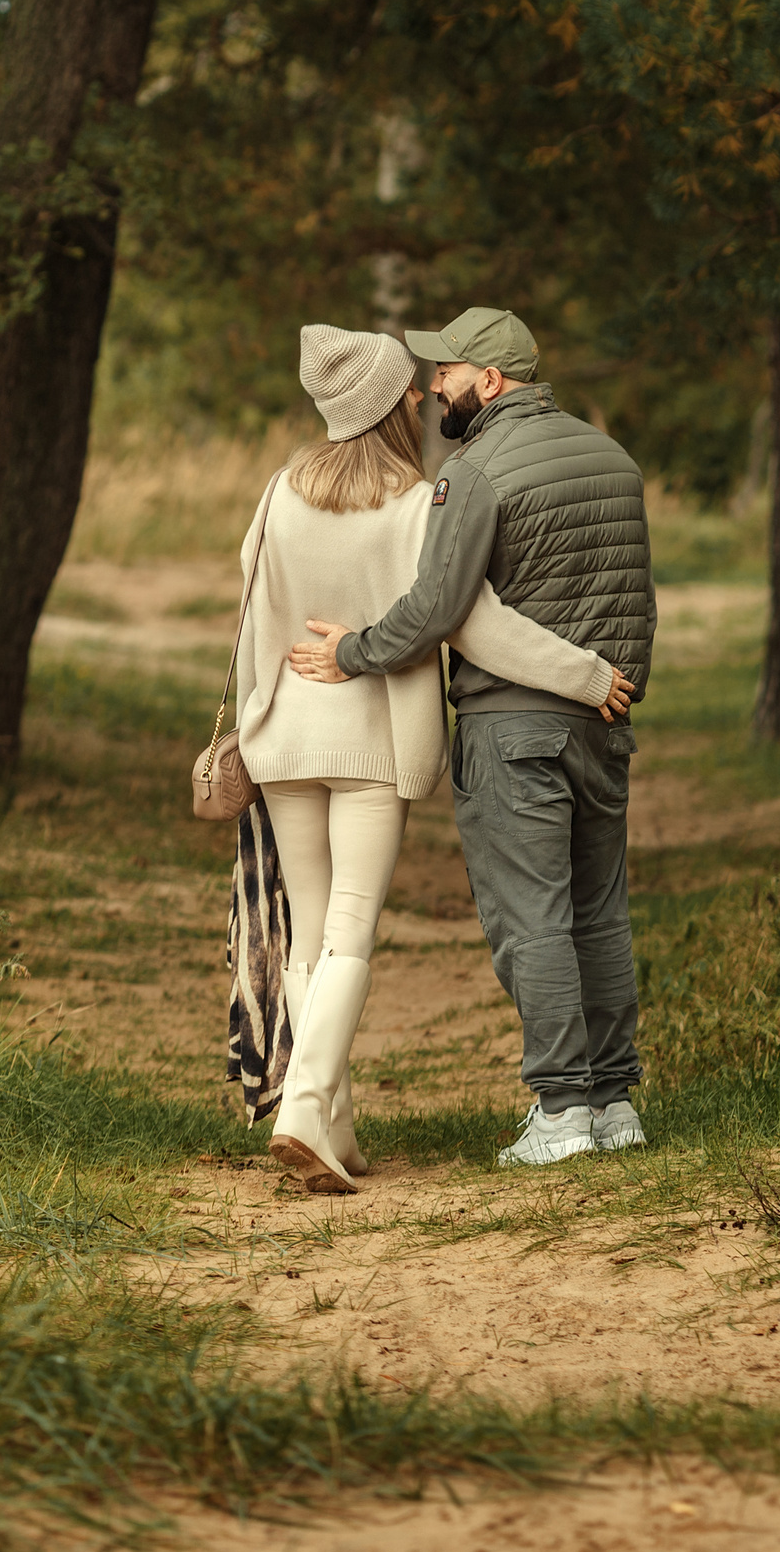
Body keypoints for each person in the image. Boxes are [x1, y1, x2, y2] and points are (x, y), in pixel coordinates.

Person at [238, 322, 634, 1195]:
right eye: (409, 388)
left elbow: (251, 616)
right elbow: (476, 622)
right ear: (386, 405)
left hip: (285, 736)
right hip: (369, 740)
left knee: (308, 934)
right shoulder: (416, 503)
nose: (424, 395)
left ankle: (333, 1123)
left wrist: (250, 720)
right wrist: (587, 672)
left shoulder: (279, 494)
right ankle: (305, 1104)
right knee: (349, 931)